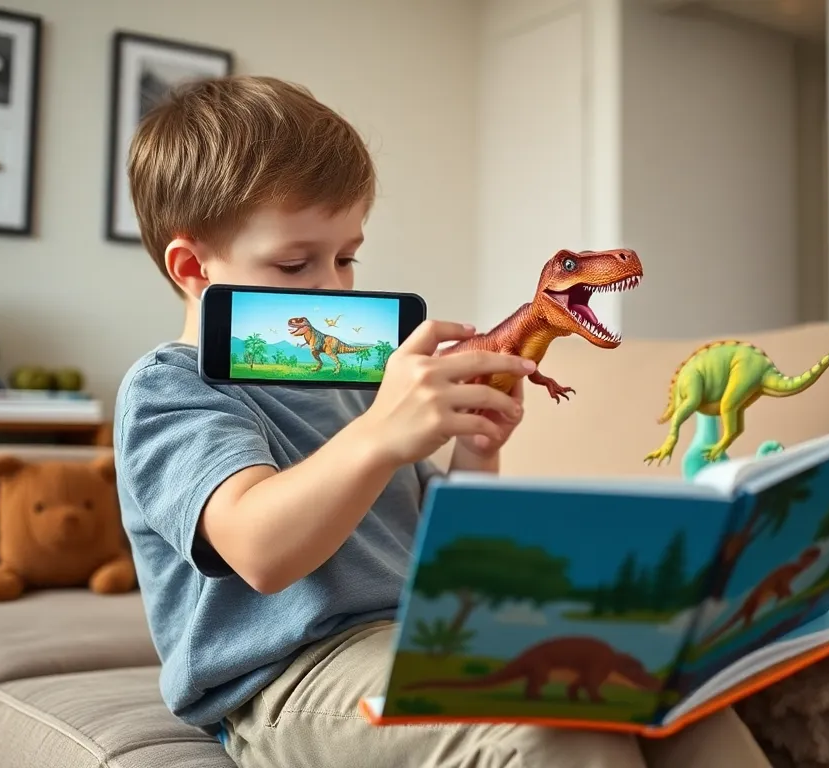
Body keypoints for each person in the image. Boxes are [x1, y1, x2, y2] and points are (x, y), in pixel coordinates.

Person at [113, 74, 773, 768]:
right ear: (192, 266)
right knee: (552, 724)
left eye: (347, 257)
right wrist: (379, 436)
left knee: (677, 701)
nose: (336, 288)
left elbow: (442, 556)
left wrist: (477, 454)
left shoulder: (361, 385)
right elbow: (260, 549)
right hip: (288, 676)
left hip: (429, 635)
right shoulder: (173, 387)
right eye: (295, 263)